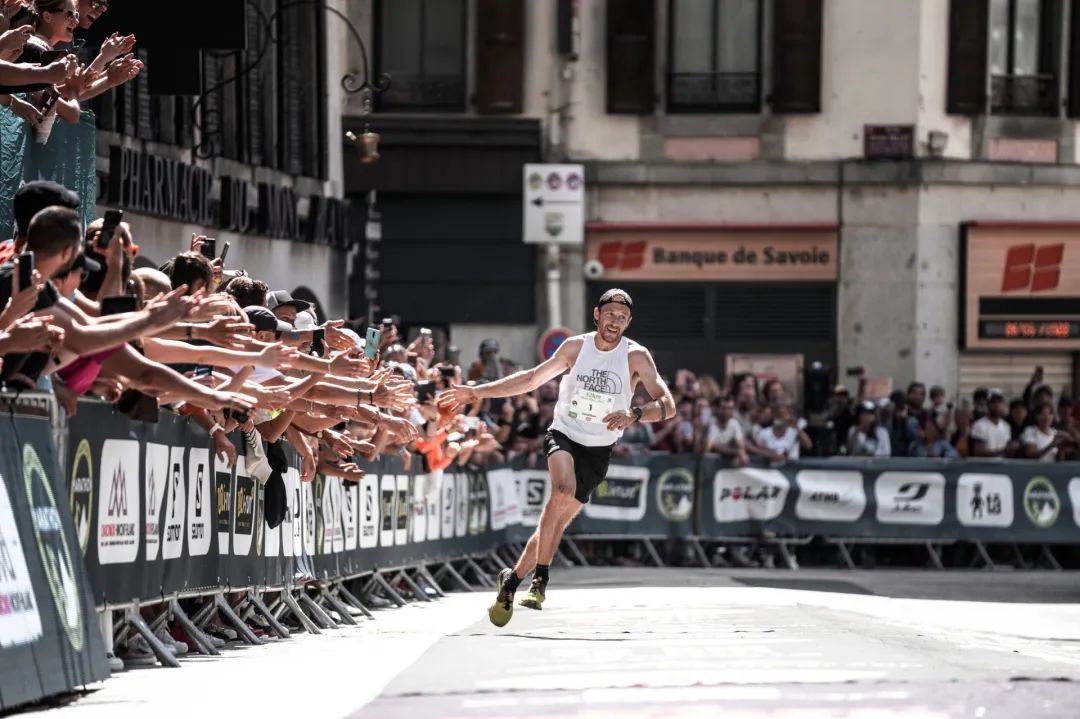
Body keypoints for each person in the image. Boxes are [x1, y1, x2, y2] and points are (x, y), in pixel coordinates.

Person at [440, 289, 675, 627]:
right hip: (564, 433)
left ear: (629, 322)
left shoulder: (635, 356)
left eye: (622, 318)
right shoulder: (575, 348)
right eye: (610, 314)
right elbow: (531, 379)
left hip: (599, 448)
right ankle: (541, 581)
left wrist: (635, 414)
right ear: (596, 314)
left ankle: (511, 579)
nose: (615, 321)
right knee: (561, 492)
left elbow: (668, 405)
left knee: (556, 521)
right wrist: (477, 391)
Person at [970, 389, 1015, 458]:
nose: (996, 405)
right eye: (993, 402)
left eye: (999, 402)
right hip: (985, 467)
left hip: (1002, 467)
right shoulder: (979, 425)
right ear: (987, 405)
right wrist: (1004, 451)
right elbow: (979, 453)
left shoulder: (1006, 426)